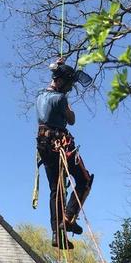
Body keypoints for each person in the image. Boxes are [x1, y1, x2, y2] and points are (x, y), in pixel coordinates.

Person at [36, 61, 94, 249]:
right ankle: (68, 217)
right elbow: (72, 120)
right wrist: (67, 105)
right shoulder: (61, 99)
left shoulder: (39, 96)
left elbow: (52, 73)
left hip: (43, 145)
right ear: (60, 82)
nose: (69, 89)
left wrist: (57, 65)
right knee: (84, 180)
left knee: (56, 189)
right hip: (60, 144)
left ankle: (57, 234)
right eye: (68, 85)